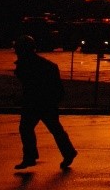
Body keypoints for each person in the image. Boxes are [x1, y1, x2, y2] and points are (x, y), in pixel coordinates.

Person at [13, 35, 77, 170]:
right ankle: (67, 152)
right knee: (52, 129)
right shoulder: (42, 64)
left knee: (30, 128)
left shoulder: (30, 64)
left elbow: (28, 82)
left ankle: (31, 157)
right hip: (43, 101)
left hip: (39, 101)